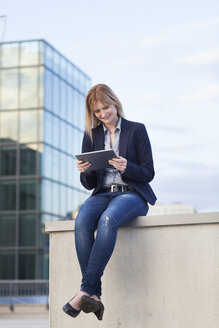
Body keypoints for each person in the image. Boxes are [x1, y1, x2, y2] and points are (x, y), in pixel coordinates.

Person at [63, 84, 156, 320]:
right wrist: (84, 171)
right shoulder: (91, 135)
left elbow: (148, 173)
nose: (103, 114)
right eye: (97, 112)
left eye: (106, 108)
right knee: (82, 220)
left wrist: (128, 167)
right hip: (102, 192)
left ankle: (87, 290)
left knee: (107, 220)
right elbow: (89, 183)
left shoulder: (136, 130)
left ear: (115, 103)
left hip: (131, 193)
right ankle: (94, 297)